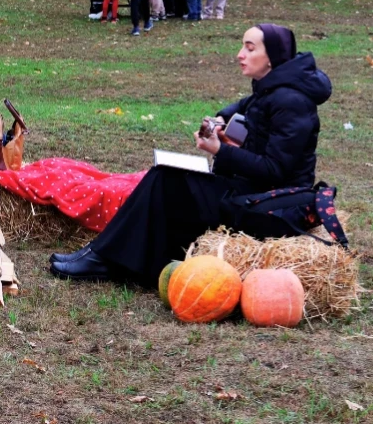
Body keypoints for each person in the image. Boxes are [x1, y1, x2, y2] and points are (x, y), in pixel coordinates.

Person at [49, 24, 332, 284]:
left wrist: (220, 150)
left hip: (272, 206)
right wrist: (219, 121)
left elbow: (275, 170)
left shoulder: (291, 101)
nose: (240, 54)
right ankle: (107, 256)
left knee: (165, 181)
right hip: (254, 191)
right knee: (163, 176)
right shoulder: (273, 88)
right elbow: (241, 107)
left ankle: (105, 259)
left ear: (271, 57)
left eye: (249, 47)